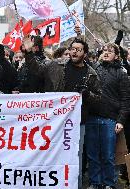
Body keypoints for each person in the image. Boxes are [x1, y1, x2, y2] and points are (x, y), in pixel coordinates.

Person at [23, 36, 101, 189]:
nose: (74, 52)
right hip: (54, 122)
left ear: (85, 53)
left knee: (74, 160)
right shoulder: (56, 65)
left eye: (78, 50)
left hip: (77, 124)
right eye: (72, 49)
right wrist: (28, 53)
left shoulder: (91, 74)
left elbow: (99, 99)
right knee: (50, 156)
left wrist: (87, 94)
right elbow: (37, 70)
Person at [86, 43, 130, 189]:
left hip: (110, 119)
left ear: (116, 56)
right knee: (93, 154)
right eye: (104, 50)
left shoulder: (121, 73)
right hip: (92, 117)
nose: (106, 53)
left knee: (108, 155)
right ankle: (95, 182)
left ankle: (109, 184)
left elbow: (125, 99)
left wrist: (121, 121)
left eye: (110, 51)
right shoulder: (93, 70)